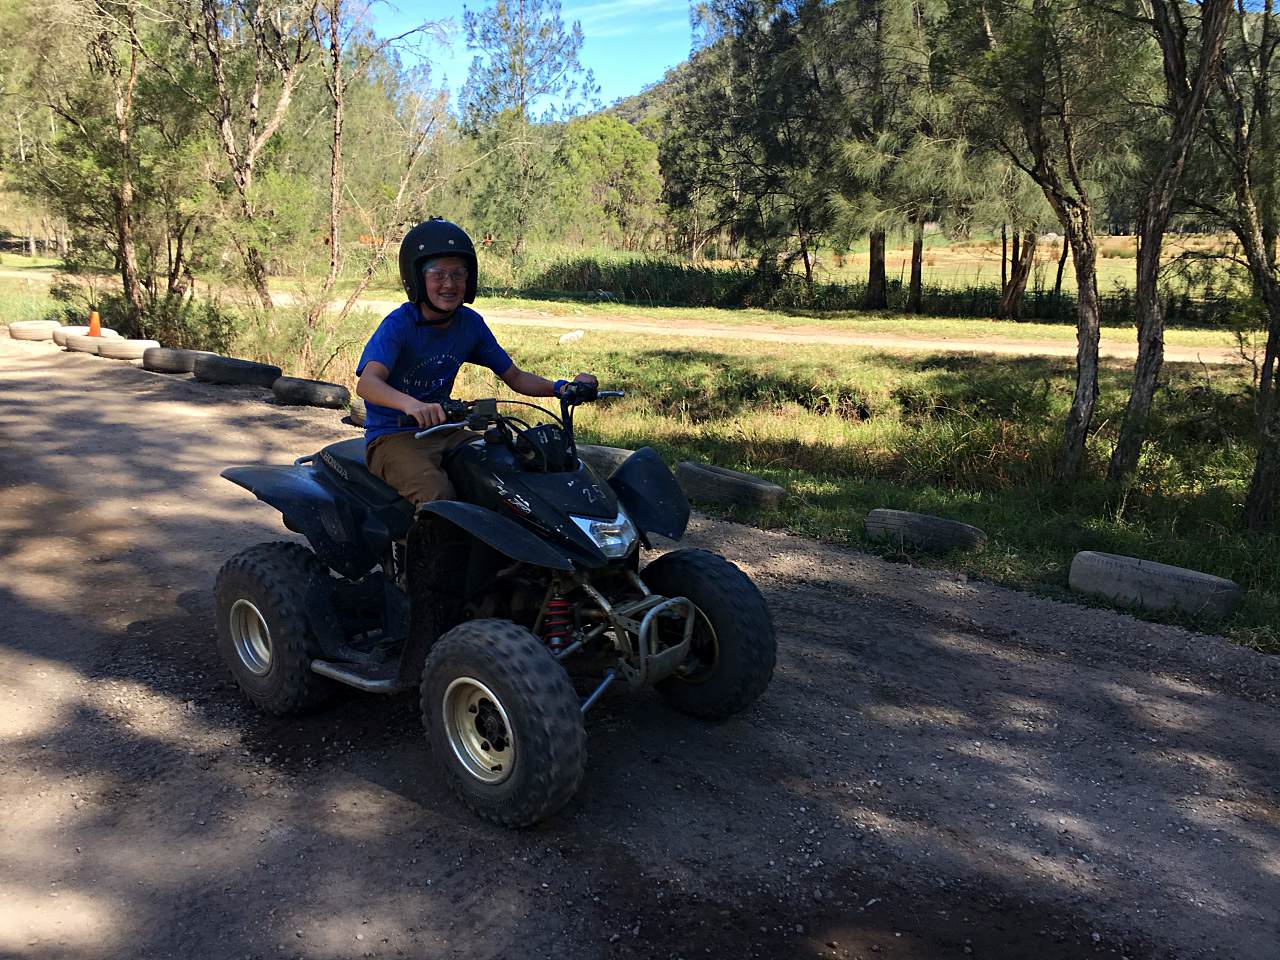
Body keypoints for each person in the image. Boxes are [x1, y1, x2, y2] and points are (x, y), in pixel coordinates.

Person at [355, 218, 596, 505]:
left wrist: (563, 388)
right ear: (417, 278)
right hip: (393, 437)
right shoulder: (400, 325)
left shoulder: (469, 325)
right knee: (437, 495)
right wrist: (413, 405)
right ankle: (430, 550)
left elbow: (515, 377)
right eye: (438, 275)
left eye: (459, 274)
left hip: (446, 432)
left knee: (502, 473)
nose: (450, 284)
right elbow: (368, 384)